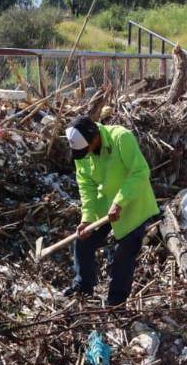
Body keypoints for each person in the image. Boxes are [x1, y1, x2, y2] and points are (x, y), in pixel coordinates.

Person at [63, 115, 160, 306]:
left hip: (133, 202)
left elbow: (140, 172)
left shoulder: (121, 138)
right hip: (104, 203)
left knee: (123, 252)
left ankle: (116, 301)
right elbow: (86, 186)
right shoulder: (83, 154)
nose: (84, 154)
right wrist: (87, 218)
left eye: (86, 149)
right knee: (83, 240)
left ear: (95, 137)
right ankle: (83, 286)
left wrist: (120, 202)